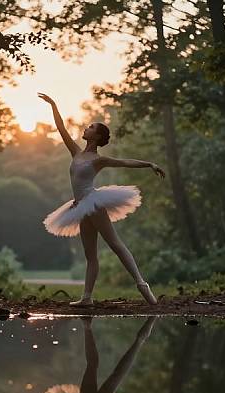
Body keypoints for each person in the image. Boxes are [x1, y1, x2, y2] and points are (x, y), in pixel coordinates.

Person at [38, 92, 165, 306]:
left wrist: (149, 164)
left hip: (93, 203)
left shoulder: (98, 160)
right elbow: (61, 128)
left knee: (116, 245)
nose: (85, 129)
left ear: (96, 136)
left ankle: (143, 285)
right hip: (79, 207)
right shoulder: (76, 153)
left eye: (90, 127)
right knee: (91, 255)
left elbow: (124, 162)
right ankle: (86, 298)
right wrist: (53, 104)